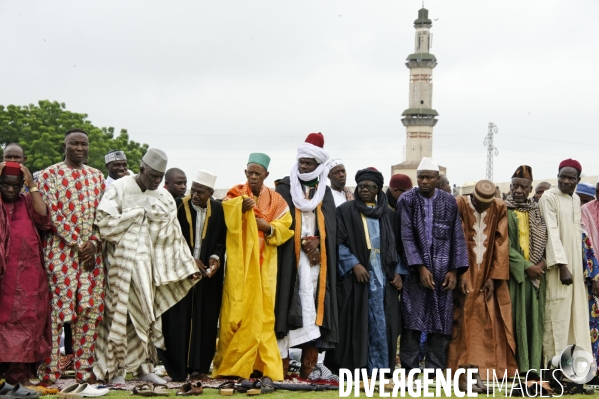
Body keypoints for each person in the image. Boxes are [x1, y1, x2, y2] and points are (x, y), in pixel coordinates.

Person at [93, 149, 200, 384]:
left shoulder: (163, 197)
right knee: (118, 314)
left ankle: (145, 368)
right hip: (120, 266)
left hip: (149, 269)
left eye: (160, 177)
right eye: (153, 176)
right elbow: (104, 223)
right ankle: (116, 370)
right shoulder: (119, 188)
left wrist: (184, 265)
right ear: (141, 170)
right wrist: (136, 216)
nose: (157, 181)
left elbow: (172, 236)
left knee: (147, 315)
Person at [212, 153, 293, 385]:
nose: (253, 177)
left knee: (263, 317)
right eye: (250, 173)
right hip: (241, 267)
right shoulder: (236, 194)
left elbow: (285, 227)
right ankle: (232, 365)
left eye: (258, 173)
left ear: (266, 175)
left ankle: (259, 365)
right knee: (235, 314)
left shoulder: (277, 200)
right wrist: (240, 208)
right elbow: (225, 215)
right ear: (245, 173)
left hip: (265, 267)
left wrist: (268, 228)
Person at [36, 129, 105, 385]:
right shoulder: (48, 175)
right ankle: (50, 372)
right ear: (63, 145)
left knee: (90, 312)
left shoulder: (97, 176)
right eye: (73, 143)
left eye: (83, 143)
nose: (79, 147)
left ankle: (84, 372)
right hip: (60, 253)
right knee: (57, 314)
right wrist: (81, 243)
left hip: (92, 257)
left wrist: (94, 243)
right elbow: (52, 214)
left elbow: (104, 216)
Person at [326, 168, 402, 374]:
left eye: (370, 187)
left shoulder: (389, 215)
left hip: (385, 281)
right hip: (357, 280)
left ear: (378, 189)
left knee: (384, 323)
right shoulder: (346, 211)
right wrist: (354, 264)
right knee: (355, 323)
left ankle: (381, 369)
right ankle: (355, 369)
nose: (365, 190)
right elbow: (337, 243)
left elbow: (400, 248)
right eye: (362, 186)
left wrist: (398, 273)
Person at [274, 133, 338, 380]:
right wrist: (298, 240)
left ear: (319, 165)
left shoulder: (326, 193)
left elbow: (333, 227)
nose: (303, 166)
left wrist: (320, 242)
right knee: (284, 308)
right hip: (288, 262)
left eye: (309, 163)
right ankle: (280, 366)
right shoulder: (283, 188)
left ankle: (308, 368)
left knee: (313, 311)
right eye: (301, 161)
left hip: (315, 265)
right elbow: (278, 221)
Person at [398, 157, 468, 375]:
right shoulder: (407, 200)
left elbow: (457, 236)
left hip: (443, 273)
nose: (424, 181)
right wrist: (420, 268)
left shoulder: (449, 202)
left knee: (441, 321)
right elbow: (406, 236)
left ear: (438, 179)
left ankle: (434, 371)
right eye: (421, 177)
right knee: (412, 321)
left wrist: (454, 271)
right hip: (414, 273)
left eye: (429, 177)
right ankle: (410, 370)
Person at [157, 170, 226, 382]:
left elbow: (221, 239)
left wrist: (215, 258)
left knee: (204, 321)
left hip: (206, 277)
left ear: (211, 193)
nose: (195, 195)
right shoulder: (178, 205)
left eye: (200, 192)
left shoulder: (218, 209)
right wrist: (188, 259)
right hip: (180, 274)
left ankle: (199, 369)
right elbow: (167, 238)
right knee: (178, 321)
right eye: (193, 190)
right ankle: (177, 371)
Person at [449, 180, 517, 390]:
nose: (483, 207)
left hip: (488, 271)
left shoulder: (499, 207)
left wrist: (493, 277)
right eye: (479, 203)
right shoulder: (459, 203)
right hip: (464, 268)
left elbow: (501, 242)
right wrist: (462, 273)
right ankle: (458, 369)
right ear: (473, 197)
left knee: (490, 315)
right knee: (462, 315)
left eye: (486, 204)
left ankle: (489, 368)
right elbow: (456, 239)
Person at [0, 162, 52, 385]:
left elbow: (44, 218)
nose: (10, 190)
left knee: (25, 324)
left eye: (15, 185)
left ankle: (17, 380)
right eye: (5, 185)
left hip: (26, 279)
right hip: (4, 278)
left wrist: (31, 186)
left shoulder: (28, 202)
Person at [538, 159, 592, 366]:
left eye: (571, 178)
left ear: (578, 180)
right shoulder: (549, 198)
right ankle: (554, 371)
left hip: (575, 269)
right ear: (557, 176)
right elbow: (551, 232)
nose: (566, 181)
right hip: (558, 269)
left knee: (576, 319)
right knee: (557, 318)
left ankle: (575, 373)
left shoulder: (576, 199)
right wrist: (562, 265)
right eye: (562, 176)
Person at [504, 166, 548, 376]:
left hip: (538, 275)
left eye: (523, 187)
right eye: (515, 186)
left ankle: (534, 368)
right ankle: (516, 367)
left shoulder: (538, 210)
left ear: (530, 189)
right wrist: (525, 266)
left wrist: (542, 264)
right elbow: (502, 244)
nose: (518, 190)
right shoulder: (502, 209)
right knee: (515, 319)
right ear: (510, 187)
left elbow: (549, 239)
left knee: (535, 321)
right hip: (514, 277)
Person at [580, 192, 599, 385]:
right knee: (593, 325)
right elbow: (587, 244)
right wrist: (594, 276)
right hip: (594, 276)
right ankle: (594, 372)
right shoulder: (585, 211)